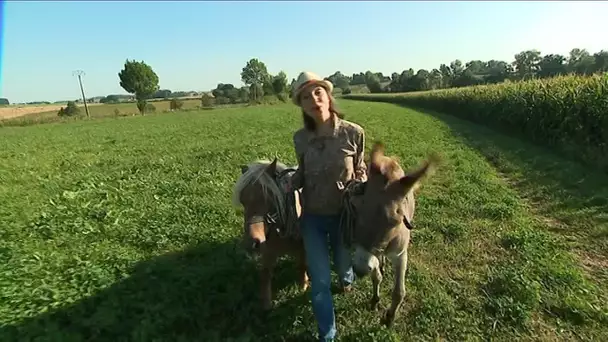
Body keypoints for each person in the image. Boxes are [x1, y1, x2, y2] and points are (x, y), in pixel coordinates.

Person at [286, 71, 368, 342]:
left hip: (344, 217)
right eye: (306, 97)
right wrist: (289, 182)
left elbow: (361, 170)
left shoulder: (353, 133)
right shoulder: (300, 138)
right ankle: (328, 335)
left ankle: (346, 279)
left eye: (317, 93)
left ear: (328, 96)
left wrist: (358, 185)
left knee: (344, 264)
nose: (313, 99)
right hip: (313, 219)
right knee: (320, 281)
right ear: (303, 107)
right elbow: (302, 172)